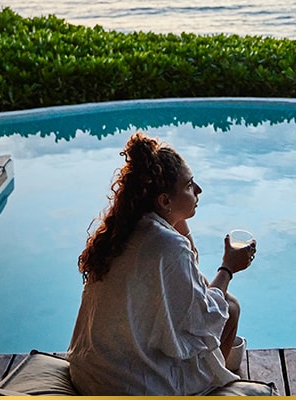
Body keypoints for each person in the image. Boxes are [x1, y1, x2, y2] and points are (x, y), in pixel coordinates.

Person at [68, 132, 257, 395]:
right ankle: (215, 391)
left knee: (227, 304)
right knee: (230, 309)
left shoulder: (128, 225)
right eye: (190, 185)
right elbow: (202, 317)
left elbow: (189, 285)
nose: (199, 189)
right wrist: (228, 267)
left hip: (89, 369)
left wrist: (179, 219)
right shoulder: (167, 244)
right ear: (165, 200)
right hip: (125, 384)